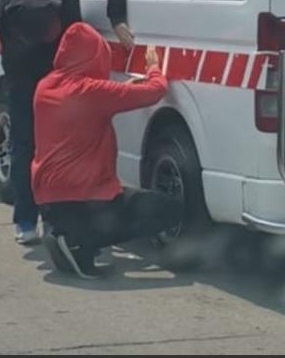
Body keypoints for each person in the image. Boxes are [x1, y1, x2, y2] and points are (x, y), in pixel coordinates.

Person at [0, 0, 135, 245]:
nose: (52, 36)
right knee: (25, 144)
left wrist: (116, 18)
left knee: (67, 148)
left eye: (53, 29)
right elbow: (14, 68)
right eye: (44, 36)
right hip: (27, 76)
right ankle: (25, 219)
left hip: (67, 75)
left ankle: (58, 217)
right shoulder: (6, 14)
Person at [32, 23, 182, 278]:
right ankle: (78, 241)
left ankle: (62, 230)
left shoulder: (45, 86)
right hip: (84, 196)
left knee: (97, 207)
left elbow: (96, 98)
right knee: (166, 210)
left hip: (47, 195)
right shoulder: (91, 92)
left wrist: (122, 88)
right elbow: (154, 92)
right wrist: (154, 68)